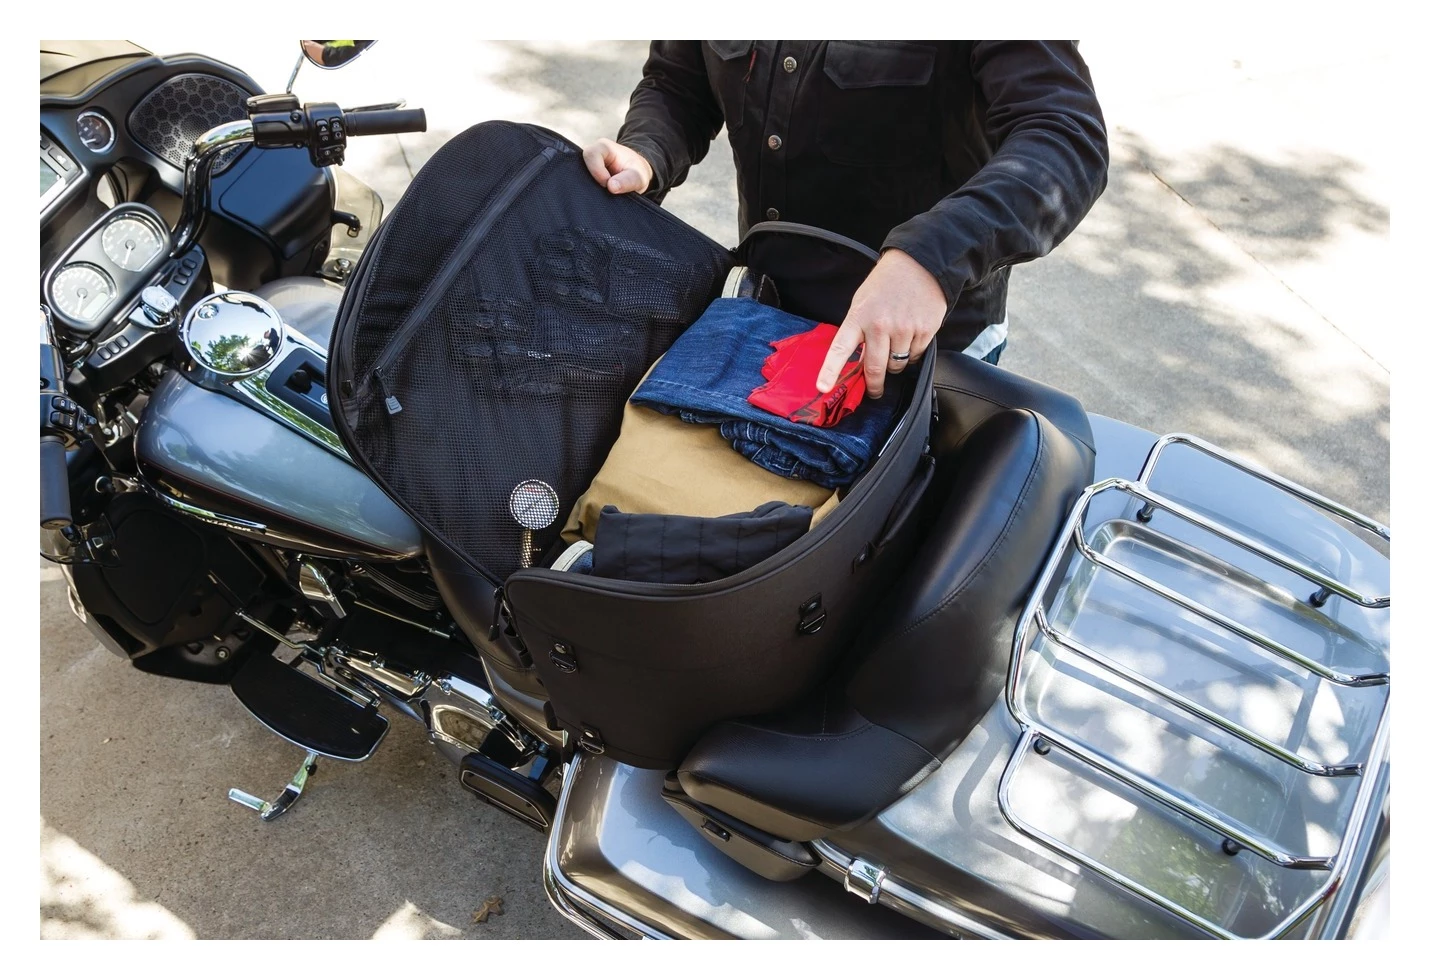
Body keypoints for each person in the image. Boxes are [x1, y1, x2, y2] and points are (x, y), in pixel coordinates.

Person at [582, 41, 1109, 399]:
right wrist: (645, 151)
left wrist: (933, 257)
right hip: (762, 317)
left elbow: (1066, 137)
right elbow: (678, 84)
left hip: (917, 353)